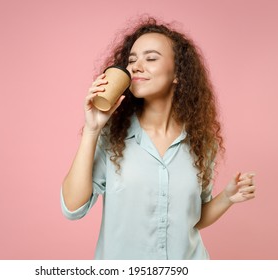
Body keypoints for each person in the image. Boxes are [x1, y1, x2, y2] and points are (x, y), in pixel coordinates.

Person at [60, 16, 256, 260]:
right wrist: (92, 130)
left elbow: (192, 219)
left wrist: (227, 197)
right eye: (131, 60)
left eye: (150, 58)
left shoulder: (201, 141)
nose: (136, 67)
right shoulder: (112, 137)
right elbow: (72, 208)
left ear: (178, 74)